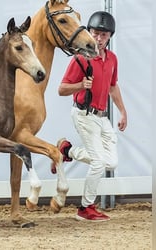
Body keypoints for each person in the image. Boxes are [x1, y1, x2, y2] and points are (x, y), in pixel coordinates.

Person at [55, 11, 127, 221]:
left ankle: (67, 150)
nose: (98, 38)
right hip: (83, 114)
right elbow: (61, 89)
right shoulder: (81, 58)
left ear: (109, 36)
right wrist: (80, 85)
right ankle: (85, 208)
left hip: (102, 117)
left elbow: (113, 87)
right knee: (97, 163)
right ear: (89, 32)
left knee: (110, 163)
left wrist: (123, 111)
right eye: (95, 33)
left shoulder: (112, 59)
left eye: (103, 35)